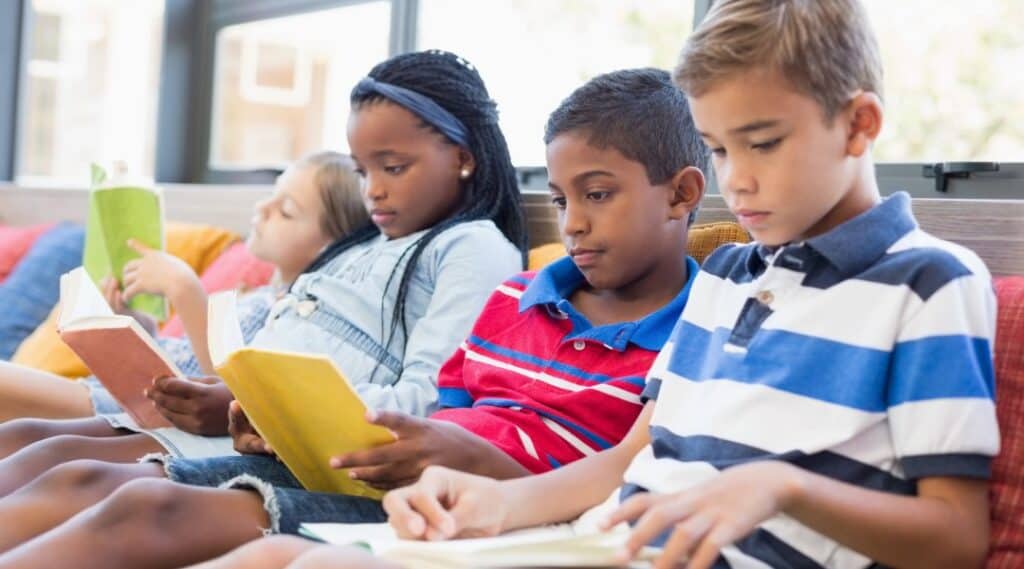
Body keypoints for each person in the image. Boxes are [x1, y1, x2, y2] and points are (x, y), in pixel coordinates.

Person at [249, 2, 997, 568]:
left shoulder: (930, 282)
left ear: (860, 124)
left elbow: (958, 537)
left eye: (763, 143)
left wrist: (781, 486)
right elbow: (632, 457)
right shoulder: (731, 272)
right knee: (293, 557)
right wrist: (496, 502)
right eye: (719, 148)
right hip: (597, 542)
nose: (737, 181)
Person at [0, 48, 527, 564]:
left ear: (463, 157)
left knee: (105, 487)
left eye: (392, 167)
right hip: (251, 429)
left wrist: (259, 405)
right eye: (363, 171)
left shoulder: (472, 248)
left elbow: (431, 406)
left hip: (314, 458)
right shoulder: (366, 246)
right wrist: (232, 394)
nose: (374, 192)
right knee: (32, 441)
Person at [0, 151, 369, 497]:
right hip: (120, 394)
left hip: (138, 412)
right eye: (271, 196)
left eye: (285, 211)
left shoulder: (295, 316)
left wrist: (186, 290)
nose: (262, 208)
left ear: (331, 247)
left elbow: (234, 387)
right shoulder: (256, 295)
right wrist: (136, 326)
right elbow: (180, 360)